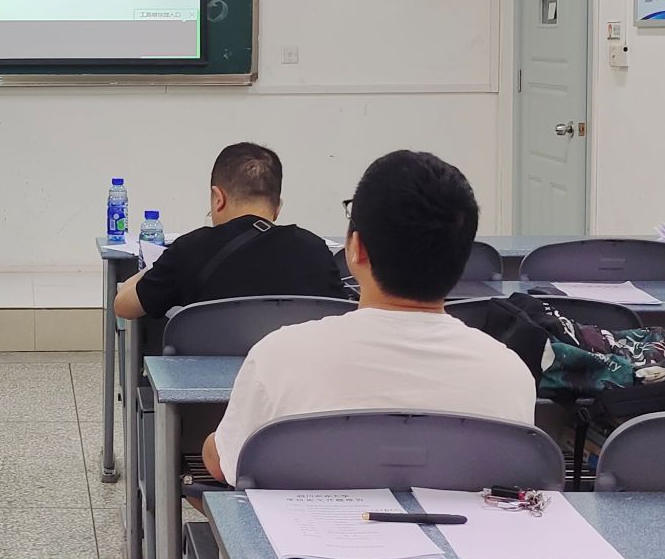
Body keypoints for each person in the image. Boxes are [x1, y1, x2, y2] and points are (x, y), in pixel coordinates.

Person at [201, 150, 535, 485]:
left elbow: (226, 462)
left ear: (356, 249)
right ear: (462, 259)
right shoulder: (510, 375)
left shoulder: (278, 356)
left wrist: (209, 445)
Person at [113, 142, 350, 320]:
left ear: (218, 198)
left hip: (205, 373)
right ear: (277, 207)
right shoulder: (314, 250)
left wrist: (156, 267)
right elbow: (341, 315)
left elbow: (124, 307)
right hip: (292, 372)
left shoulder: (191, 250)